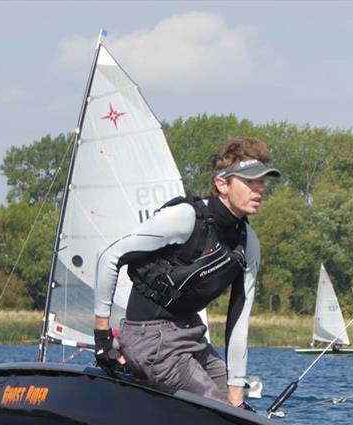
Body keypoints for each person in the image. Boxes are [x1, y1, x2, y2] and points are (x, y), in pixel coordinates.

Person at [93, 137, 280, 409]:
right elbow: (109, 256)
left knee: (240, 413)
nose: (259, 188)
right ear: (222, 183)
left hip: (192, 337)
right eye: (249, 181)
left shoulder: (248, 242)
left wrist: (237, 394)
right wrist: (102, 339)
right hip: (149, 339)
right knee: (219, 411)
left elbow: (239, 322)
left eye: (262, 181)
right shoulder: (185, 218)